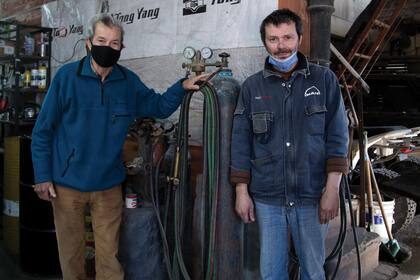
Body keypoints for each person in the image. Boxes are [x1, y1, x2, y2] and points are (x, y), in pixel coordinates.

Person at [31, 13, 205, 280]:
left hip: (108, 185)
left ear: (122, 48)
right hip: (67, 185)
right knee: (71, 256)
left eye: (114, 43)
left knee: (110, 258)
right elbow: (43, 131)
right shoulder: (67, 78)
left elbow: (158, 106)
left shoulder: (128, 82)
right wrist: (43, 176)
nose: (107, 47)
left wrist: (182, 86)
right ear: (89, 43)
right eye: (101, 40)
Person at [230, 9, 349, 280]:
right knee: (271, 273)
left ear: (300, 38)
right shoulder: (252, 88)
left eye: (287, 37)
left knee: (313, 271)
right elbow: (240, 141)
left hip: (312, 194)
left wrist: (332, 189)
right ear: (264, 42)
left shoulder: (324, 80)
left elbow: (338, 136)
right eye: (273, 39)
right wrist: (241, 191)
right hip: (268, 196)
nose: (281, 46)